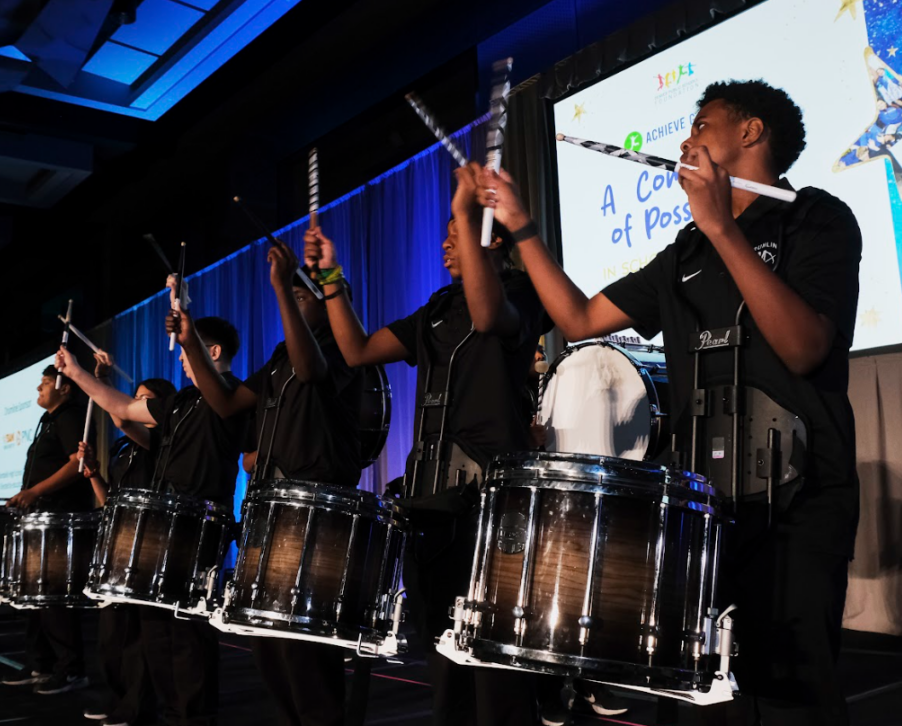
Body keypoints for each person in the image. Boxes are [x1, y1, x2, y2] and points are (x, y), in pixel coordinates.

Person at [477, 80, 862, 725]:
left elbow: (802, 348)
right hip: (703, 508)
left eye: (702, 123)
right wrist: (522, 228)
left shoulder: (816, 218)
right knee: (696, 698)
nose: (686, 139)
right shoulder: (683, 252)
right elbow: (577, 318)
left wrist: (720, 224)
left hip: (801, 498)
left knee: (797, 695)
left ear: (751, 132)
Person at [307, 172, 548, 726]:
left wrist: (469, 212)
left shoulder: (520, 292)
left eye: (457, 232)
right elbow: (357, 349)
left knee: (494, 659)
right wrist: (332, 279)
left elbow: (489, 319)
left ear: (491, 242)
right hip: (432, 499)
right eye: (444, 233)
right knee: (445, 657)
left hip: (493, 502)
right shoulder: (438, 307)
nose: (445, 243)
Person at [167, 237, 361, 726]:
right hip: (269, 513)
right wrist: (190, 340)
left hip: (314, 513)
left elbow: (310, 368)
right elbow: (228, 403)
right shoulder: (279, 357)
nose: (292, 302)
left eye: (301, 297)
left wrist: (280, 287)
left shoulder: (340, 347)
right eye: (291, 297)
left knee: (305, 656)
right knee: (267, 646)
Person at [55, 315, 250, 726]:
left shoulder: (233, 395)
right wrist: (75, 372)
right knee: (155, 632)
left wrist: (189, 334)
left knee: (187, 637)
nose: (182, 359)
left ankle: (192, 717)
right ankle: (170, 713)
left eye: (189, 350)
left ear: (212, 352)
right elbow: (124, 408)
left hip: (199, 528)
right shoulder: (180, 403)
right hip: (161, 529)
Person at [78, 360, 175, 726]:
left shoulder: (160, 444)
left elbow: (120, 416)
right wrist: (93, 475)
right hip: (117, 548)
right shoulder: (124, 450)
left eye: (143, 401)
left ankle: (137, 709)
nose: (133, 404)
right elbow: (110, 502)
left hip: (145, 550)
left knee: (137, 638)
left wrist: (97, 380)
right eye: (133, 399)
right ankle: (121, 702)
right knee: (111, 637)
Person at [2, 365, 95, 695]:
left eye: (44, 383)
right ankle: (41, 663)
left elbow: (77, 463)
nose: (38, 390)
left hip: (59, 518)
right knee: (35, 596)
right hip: (42, 519)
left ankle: (71, 669)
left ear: (65, 387)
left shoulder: (70, 415)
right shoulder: (50, 421)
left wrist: (35, 492)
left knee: (52, 594)